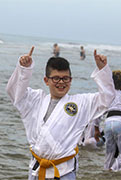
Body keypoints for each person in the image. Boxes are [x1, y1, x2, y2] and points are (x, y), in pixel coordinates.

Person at [6, 46, 115, 180]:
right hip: (36, 169)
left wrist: (102, 71)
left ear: (71, 80)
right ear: (46, 80)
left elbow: (107, 99)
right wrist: (24, 69)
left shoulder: (80, 103)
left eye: (65, 78)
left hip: (64, 173)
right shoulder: (36, 100)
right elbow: (14, 92)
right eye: (56, 78)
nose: (61, 83)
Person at [94, 70, 121, 172]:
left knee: (109, 153)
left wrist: (96, 130)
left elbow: (98, 114)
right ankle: (113, 170)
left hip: (108, 123)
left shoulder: (107, 96)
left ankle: (106, 171)